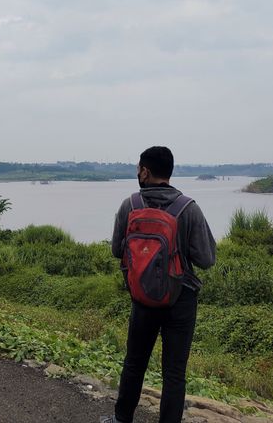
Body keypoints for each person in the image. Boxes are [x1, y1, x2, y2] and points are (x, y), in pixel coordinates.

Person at [103, 146, 216, 423]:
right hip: (181, 299)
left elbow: (117, 250)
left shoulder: (130, 205)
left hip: (143, 297)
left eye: (138, 169)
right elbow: (206, 258)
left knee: (134, 362)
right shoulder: (188, 208)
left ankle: (121, 419)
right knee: (174, 373)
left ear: (145, 171)